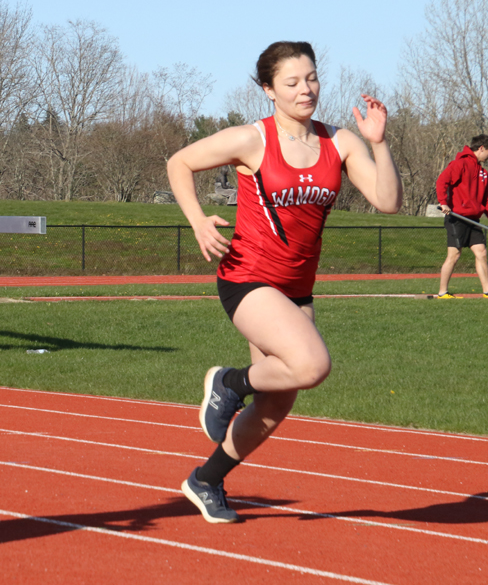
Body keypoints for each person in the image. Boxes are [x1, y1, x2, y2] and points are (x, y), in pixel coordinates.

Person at [166, 41, 402, 523]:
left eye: (312, 78)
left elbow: (388, 202)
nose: (306, 89)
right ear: (269, 90)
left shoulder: (339, 141)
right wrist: (197, 220)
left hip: (296, 288)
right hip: (247, 278)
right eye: (292, 82)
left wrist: (378, 141)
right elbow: (179, 163)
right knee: (312, 364)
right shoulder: (253, 139)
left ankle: (206, 480)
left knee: (275, 406)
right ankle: (229, 382)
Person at [434, 135, 488, 299]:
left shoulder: (483, 173)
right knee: (454, 255)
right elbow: (442, 181)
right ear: (481, 148)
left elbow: (486, 199)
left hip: (473, 219)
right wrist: (443, 202)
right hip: (456, 218)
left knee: (482, 253)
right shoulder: (459, 164)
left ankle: (487, 290)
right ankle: (443, 291)